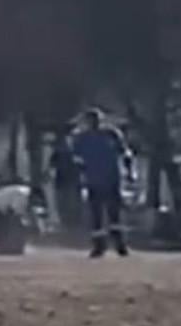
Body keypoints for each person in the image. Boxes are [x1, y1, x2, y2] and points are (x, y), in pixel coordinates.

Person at [72, 108, 134, 258]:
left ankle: (119, 245)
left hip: (111, 179)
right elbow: (77, 160)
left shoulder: (111, 134)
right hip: (93, 181)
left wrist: (130, 172)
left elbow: (125, 153)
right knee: (97, 215)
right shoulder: (81, 138)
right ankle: (99, 246)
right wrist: (80, 176)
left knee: (114, 213)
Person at [49, 132, 82, 233]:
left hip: (72, 181)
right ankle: (66, 223)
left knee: (72, 203)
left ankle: (73, 223)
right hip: (62, 181)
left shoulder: (76, 152)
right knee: (63, 204)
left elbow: (82, 166)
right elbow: (52, 166)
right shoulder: (58, 153)